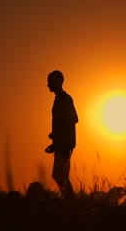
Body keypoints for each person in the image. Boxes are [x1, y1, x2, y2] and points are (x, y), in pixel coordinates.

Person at [45, 70, 78, 199]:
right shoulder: (59, 99)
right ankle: (70, 200)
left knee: (60, 176)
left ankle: (70, 201)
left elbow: (72, 120)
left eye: (49, 82)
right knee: (59, 175)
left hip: (65, 143)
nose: (48, 85)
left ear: (57, 82)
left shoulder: (65, 99)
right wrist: (54, 142)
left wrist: (58, 139)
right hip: (61, 142)